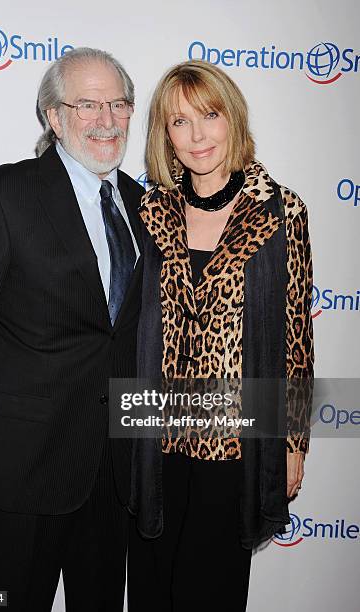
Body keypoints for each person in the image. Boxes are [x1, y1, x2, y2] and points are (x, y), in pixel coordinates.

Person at [0, 47, 144, 611]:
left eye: (119, 103)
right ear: (54, 117)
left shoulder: (140, 202)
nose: (107, 119)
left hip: (111, 475)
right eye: (88, 104)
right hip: (16, 473)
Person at [128, 59, 313, 611]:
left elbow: (296, 336)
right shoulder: (148, 209)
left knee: (210, 589)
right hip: (152, 434)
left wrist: (294, 438)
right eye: (179, 122)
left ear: (232, 118)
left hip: (233, 436)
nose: (197, 135)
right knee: (153, 589)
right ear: (165, 134)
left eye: (208, 115)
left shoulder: (279, 211)